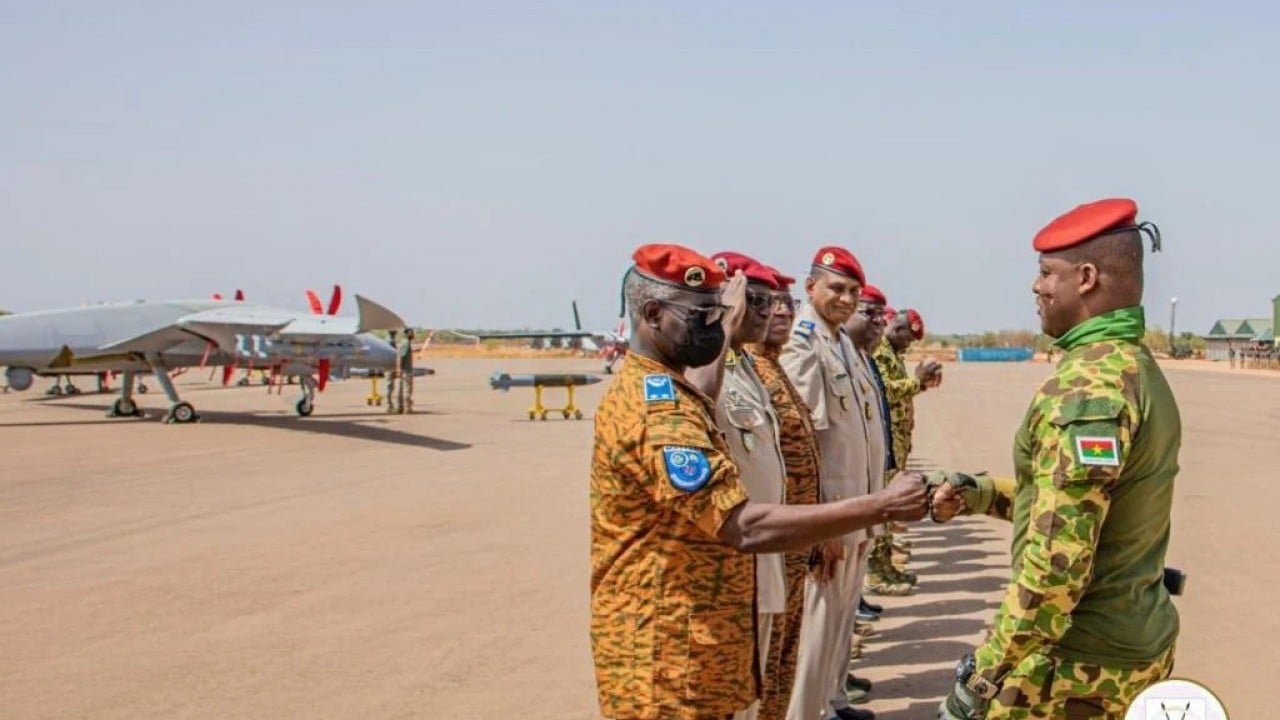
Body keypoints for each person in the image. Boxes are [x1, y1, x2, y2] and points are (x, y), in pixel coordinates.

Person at [590, 243, 929, 720]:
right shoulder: (656, 408)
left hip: (702, 639)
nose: (719, 324)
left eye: (723, 312)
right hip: (665, 655)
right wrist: (881, 506)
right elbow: (742, 525)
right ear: (652, 314)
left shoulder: (679, 392)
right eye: (705, 314)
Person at [930, 198, 1181, 719]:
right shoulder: (1134, 365)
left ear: (1086, 277)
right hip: (1130, 648)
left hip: (1074, 668)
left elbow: (1055, 568)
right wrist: (982, 494)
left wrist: (981, 678)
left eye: (1047, 272)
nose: (1036, 286)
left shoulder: (1087, 385)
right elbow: (1081, 506)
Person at [782, 246, 884, 720]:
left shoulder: (842, 341)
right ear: (810, 288)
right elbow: (804, 440)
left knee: (841, 621)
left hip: (859, 510)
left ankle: (832, 702)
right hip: (833, 513)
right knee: (817, 626)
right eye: (836, 288)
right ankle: (808, 712)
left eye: (852, 291)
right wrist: (818, 526)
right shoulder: (803, 341)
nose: (845, 298)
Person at [686, 251, 787, 720]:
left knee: (754, 691)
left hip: (763, 554)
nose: (767, 313)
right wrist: (724, 323)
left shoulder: (747, 364)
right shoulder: (705, 363)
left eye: (771, 304)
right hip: (732, 560)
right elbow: (701, 403)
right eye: (756, 302)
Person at [747, 266, 826, 720]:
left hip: (793, 550)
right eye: (762, 301)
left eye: (784, 303)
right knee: (760, 678)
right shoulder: (738, 376)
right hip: (765, 552)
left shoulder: (771, 369)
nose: (779, 311)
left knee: (781, 669)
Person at [868, 307, 942, 592]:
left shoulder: (891, 354)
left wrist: (920, 386)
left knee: (890, 509)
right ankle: (877, 573)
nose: (908, 345)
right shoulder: (880, 353)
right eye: (908, 339)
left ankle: (885, 567)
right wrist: (917, 382)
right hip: (887, 441)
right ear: (897, 330)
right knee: (885, 507)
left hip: (896, 440)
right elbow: (883, 391)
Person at [397, 327, 415, 413]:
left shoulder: (406, 343)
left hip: (405, 370)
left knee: (404, 389)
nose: (413, 334)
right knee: (408, 389)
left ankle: (401, 407)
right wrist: (399, 369)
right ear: (407, 333)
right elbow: (401, 357)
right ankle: (407, 408)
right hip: (406, 371)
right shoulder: (406, 343)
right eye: (412, 332)